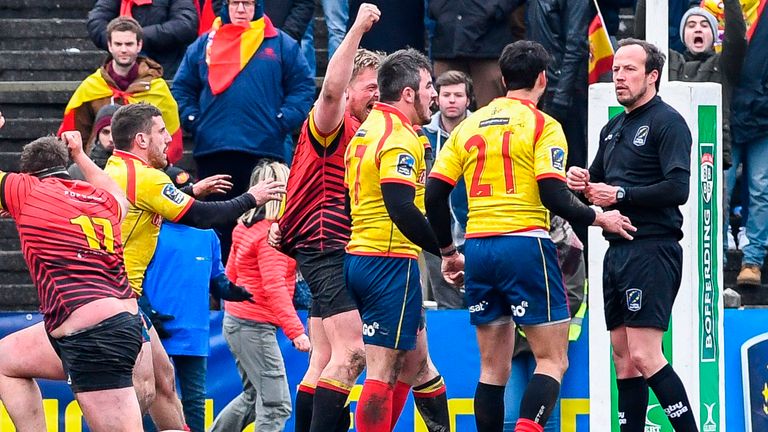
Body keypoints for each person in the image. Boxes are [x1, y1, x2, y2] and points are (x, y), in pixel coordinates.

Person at [425, 40, 635, 432]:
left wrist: (449, 252)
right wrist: (598, 217)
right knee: (552, 360)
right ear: (542, 79)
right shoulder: (544, 125)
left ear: (503, 79)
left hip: (480, 247)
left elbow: (434, 194)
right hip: (526, 244)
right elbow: (552, 193)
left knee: (492, 368)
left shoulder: (470, 124)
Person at [566, 39, 698, 431]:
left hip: (652, 247)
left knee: (644, 354)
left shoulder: (667, 121)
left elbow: (679, 189)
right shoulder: (613, 127)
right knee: (622, 358)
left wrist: (621, 194)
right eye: (616, 70)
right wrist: (580, 180)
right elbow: (597, 182)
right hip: (617, 251)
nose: (619, 77)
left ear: (652, 75)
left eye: (629, 70)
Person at [271, 6, 377, 431]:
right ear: (349, 90)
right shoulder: (333, 121)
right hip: (324, 244)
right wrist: (356, 29)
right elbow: (330, 91)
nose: (376, 96)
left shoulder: (366, 132)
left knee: (324, 359)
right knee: (353, 355)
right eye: (369, 87)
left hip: (325, 243)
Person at [343, 47, 456, 432]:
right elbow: (401, 207)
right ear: (408, 93)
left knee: (417, 364)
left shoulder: (365, 130)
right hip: (389, 261)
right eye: (428, 87)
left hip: (364, 255)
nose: (434, 96)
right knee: (383, 368)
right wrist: (445, 250)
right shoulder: (399, 135)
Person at [0, 131, 143, 432]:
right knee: (5, 360)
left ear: (28, 174)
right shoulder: (100, 198)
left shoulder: (28, 190)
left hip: (96, 336)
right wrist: (79, 153)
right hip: (103, 324)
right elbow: (121, 197)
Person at [172, 0, 314, 260]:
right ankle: (221, 286)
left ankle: (259, 288)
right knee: (218, 226)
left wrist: (282, 121)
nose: (240, 9)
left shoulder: (281, 43)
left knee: (262, 225)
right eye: (235, 2)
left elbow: (303, 88)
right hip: (214, 150)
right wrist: (195, 121)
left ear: (257, 6)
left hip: (264, 152)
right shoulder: (203, 45)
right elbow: (181, 88)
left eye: (247, 3)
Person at [142, 165, 254, 432]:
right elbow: (133, 275)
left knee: (194, 404)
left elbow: (218, 278)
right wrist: (146, 313)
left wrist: (234, 291)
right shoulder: (150, 230)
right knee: (150, 396)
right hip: (155, 332)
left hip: (193, 331)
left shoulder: (207, 234)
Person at [210, 161, 310, 432]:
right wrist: (296, 332)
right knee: (276, 404)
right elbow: (274, 286)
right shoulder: (271, 233)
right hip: (253, 326)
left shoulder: (245, 227)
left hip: (239, 322)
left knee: (255, 398)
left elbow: (228, 276)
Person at [59, 16, 183, 163]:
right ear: (109, 45)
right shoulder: (92, 86)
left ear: (139, 45)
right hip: (99, 167)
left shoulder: (158, 87)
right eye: (118, 44)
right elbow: (75, 133)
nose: (123, 50)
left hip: (146, 168)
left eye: (129, 44)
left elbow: (170, 137)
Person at [503, 216, 587, 432]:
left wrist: (529, 319)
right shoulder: (502, 232)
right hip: (509, 343)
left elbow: (573, 293)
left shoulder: (568, 241)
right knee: (509, 418)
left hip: (548, 341)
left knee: (546, 421)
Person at [422, 70, 473, 309]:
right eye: (446, 95)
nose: (452, 100)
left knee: (479, 302)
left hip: (474, 230)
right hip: (436, 233)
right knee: (447, 303)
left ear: (468, 100)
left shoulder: (480, 130)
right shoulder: (422, 133)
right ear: (437, 99)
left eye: (458, 95)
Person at [528, 0, 591, 169]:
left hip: (565, 84)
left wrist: (562, 94)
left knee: (570, 157)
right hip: (539, 81)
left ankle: (573, 194)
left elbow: (576, 44)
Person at [731, 3, 768, 287]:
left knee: (761, 189)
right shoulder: (712, 7)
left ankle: (753, 260)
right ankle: (715, 253)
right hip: (724, 114)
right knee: (718, 187)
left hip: (763, 116)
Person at [428, 0, 525, 107]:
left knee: (491, 115)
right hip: (447, 43)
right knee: (448, 113)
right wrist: (439, 8)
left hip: (489, 46)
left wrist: (495, 8)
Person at [86, 0, 199, 78]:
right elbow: (96, 22)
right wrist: (121, 41)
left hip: (166, 69)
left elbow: (185, 25)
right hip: (122, 71)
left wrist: (136, 37)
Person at [68, 104, 119, 180]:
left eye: (116, 132)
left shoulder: (137, 170)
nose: (111, 139)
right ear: (97, 134)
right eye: (105, 132)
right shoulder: (77, 171)